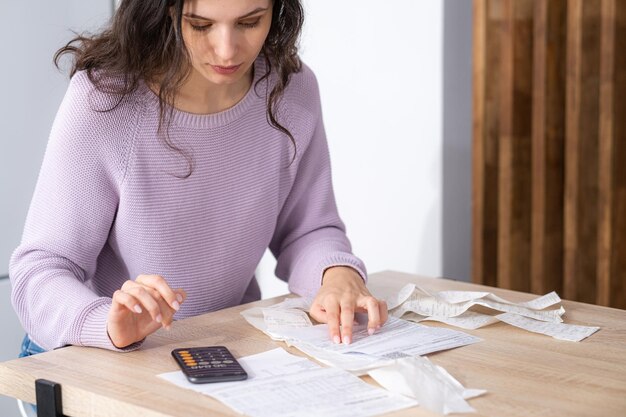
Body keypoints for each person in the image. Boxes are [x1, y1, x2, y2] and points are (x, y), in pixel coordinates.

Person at [9, 0, 388, 356]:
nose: (227, 50)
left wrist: (335, 276)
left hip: (219, 347)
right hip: (87, 354)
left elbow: (307, 231)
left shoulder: (290, 90)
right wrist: (106, 323)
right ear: (166, 10)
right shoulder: (107, 100)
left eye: (249, 21)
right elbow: (41, 271)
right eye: (201, 24)